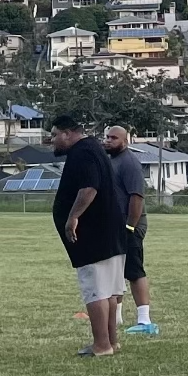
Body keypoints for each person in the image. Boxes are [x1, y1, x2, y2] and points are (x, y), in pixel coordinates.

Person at [49, 115, 126, 357]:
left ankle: (101, 345)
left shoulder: (81, 152)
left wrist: (73, 217)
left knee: (95, 291)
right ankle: (111, 342)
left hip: (93, 234)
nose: (52, 140)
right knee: (109, 291)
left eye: (54, 135)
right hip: (110, 232)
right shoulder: (94, 148)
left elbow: (89, 187)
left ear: (68, 133)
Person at [104, 125, 159, 336]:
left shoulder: (129, 163)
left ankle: (144, 321)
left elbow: (136, 197)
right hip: (114, 226)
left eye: (114, 138)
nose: (108, 141)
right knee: (115, 271)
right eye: (107, 137)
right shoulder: (112, 161)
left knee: (134, 271)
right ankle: (116, 318)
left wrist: (130, 226)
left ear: (125, 141)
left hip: (130, 226)